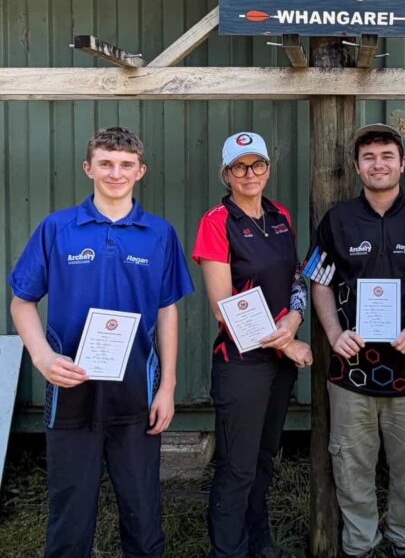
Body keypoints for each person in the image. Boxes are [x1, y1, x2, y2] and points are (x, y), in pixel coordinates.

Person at [9, 126, 194, 558]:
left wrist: (166, 388)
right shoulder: (57, 229)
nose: (116, 173)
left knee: (143, 515)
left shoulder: (159, 234)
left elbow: (168, 310)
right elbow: (22, 302)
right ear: (88, 168)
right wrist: (42, 356)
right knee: (70, 520)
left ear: (141, 171)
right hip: (71, 392)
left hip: (137, 397)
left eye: (126, 165)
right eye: (106, 164)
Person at [304, 124, 405, 558]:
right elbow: (319, 281)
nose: (378, 164)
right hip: (351, 373)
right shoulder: (338, 220)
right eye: (369, 158)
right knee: (351, 467)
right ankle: (359, 546)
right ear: (357, 167)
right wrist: (333, 334)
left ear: (402, 163)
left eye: (387, 156)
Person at [192, 131, 312, 558]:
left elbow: (296, 277)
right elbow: (225, 308)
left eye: (257, 164)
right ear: (226, 173)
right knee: (237, 467)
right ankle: (229, 550)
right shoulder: (216, 223)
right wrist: (289, 346)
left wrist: (296, 318)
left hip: (279, 359)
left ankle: (259, 544)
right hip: (241, 363)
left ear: (268, 168)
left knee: (263, 459)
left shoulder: (280, 214)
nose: (250, 173)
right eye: (239, 166)